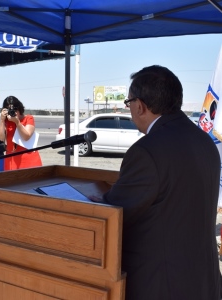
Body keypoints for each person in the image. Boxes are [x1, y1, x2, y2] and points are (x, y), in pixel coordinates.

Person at [89, 65, 221, 300]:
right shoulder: (205, 141)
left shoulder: (147, 152)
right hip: (203, 279)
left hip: (162, 284)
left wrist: (102, 202)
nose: (129, 109)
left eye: (128, 103)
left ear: (140, 105)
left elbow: (117, 214)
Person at [0, 95, 42, 170]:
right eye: (9, 110)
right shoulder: (6, 122)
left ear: (20, 108)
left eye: (15, 109)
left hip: (28, 158)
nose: (13, 112)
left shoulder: (28, 118)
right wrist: (2, 121)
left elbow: (26, 136)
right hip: (11, 159)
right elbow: (1, 138)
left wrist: (17, 123)